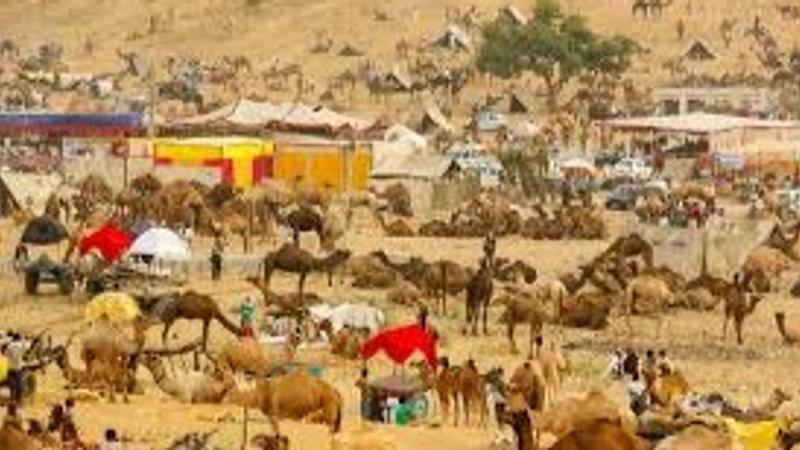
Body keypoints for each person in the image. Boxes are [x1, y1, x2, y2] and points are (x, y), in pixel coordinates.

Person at [5, 333, 26, 405]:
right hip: (18, 367)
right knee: (19, 384)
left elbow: (6, 355)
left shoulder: (9, 346)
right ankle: (19, 400)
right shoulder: (21, 345)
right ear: (19, 338)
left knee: (12, 385)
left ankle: (12, 400)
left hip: (10, 367)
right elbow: (25, 352)